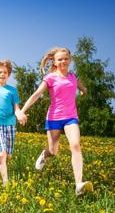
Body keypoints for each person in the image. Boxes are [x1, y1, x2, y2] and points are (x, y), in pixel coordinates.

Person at [19, 47, 93, 196]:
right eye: (60, 59)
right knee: (53, 151)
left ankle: (78, 184)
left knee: (76, 145)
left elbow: (80, 86)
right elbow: (36, 94)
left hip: (71, 118)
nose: (63, 61)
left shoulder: (72, 76)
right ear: (54, 61)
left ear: (70, 60)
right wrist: (22, 110)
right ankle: (44, 155)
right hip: (54, 118)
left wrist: (84, 90)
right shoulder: (50, 78)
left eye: (65, 58)